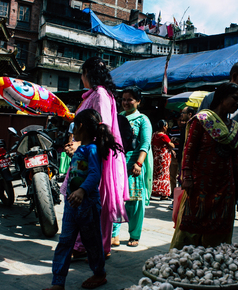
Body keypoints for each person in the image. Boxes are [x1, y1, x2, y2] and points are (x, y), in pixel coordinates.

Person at [44, 109, 123, 290]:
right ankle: (58, 283)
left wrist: (81, 191)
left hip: (87, 204)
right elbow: (82, 170)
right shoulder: (83, 149)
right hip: (72, 204)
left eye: (74, 126)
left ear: (80, 127)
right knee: (65, 241)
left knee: (92, 242)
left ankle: (99, 273)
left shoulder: (93, 150)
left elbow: (95, 174)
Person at [170, 82, 238, 249]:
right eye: (235, 98)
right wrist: (187, 177)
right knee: (192, 226)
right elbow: (189, 151)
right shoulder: (202, 120)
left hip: (226, 188)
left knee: (219, 230)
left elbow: (234, 159)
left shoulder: (235, 128)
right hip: (200, 186)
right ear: (221, 97)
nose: (237, 103)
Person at [71, 56, 128, 260]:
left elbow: (102, 127)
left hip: (96, 155)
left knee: (92, 201)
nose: (81, 77)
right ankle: (91, 245)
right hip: (88, 153)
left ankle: (88, 246)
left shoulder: (101, 95)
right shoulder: (93, 94)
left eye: (82, 73)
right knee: (87, 200)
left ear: (88, 73)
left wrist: (82, 144)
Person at [198, 61, 238, 220]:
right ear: (234, 76)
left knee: (225, 214)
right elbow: (197, 134)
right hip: (206, 167)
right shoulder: (210, 99)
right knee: (202, 212)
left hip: (234, 167)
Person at [112, 86, 152, 248]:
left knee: (134, 203)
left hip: (133, 167)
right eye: (123, 99)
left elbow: (145, 143)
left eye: (130, 99)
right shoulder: (117, 117)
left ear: (138, 101)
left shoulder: (143, 120)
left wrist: (139, 163)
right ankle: (114, 234)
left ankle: (134, 234)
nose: (125, 102)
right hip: (116, 166)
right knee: (116, 201)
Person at [151, 119, 175, 200]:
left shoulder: (154, 134)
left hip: (155, 157)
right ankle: (164, 194)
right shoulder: (164, 136)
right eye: (166, 126)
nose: (167, 128)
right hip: (163, 159)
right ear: (163, 127)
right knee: (164, 175)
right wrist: (173, 142)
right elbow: (171, 145)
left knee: (155, 174)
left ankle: (153, 191)